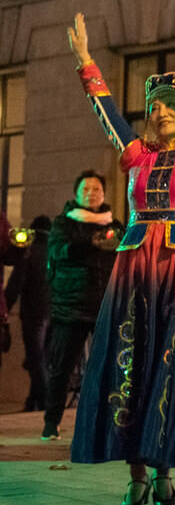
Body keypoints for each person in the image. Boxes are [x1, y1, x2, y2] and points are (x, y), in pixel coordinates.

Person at [67, 0, 175, 505]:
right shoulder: (137, 154)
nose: (159, 112)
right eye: (154, 104)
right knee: (130, 364)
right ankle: (136, 476)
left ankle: (163, 473)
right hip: (135, 267)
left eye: (170, 105)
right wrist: (86, 63)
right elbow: (109, 116)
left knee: (173, 365)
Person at [40, 173, 123, 440]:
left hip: (105, 306)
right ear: (76, 193)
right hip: (71, 306)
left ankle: (109, 423)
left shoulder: (116, 225)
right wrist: (90, 244)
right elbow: (59, 252)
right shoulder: (64, 223)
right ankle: (51, 423)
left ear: (104, 194)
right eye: (86, 189)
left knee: (110, 367)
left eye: (96, 189)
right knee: (62, 367)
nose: (91, 193)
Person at [6, 215, 51, 412]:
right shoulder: (55, 250)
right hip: (56, 312)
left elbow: (17, 282)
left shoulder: (30, 251)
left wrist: (6, 306)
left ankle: (44, 400)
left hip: (34, 312)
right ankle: (35, 399)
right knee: (44, 358)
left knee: (35, 358)